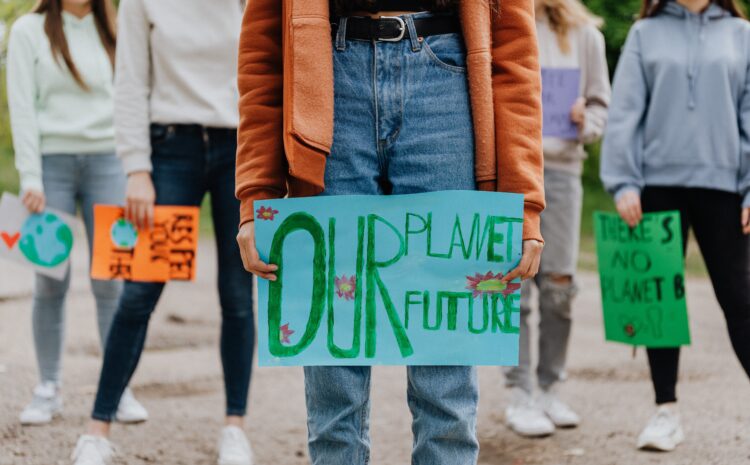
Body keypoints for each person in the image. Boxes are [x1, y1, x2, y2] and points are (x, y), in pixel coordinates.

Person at [235, 0, 545, 463]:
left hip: (445, 79)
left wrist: (524, 201)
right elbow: (263, 48)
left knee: (447, 366)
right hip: (327, 80)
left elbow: (515, 49)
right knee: (333, 364)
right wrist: (255, 191)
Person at [70, 1, 256, 464]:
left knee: (236, 294)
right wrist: (136, 167)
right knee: (138, 293)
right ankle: (97, 430)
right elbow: (131, 81)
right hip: (171, 148)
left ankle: (235, 429)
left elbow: (265, 70)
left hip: (240, 146)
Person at [601, 0, 750, 452]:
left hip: (724, 184)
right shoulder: (645, 34)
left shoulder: (742, 34)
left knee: (740, 298)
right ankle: (665, 411)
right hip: (656, 187)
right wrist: (623, 181)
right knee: (659, 303)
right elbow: (625, 111)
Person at [7, 0, 148, 427]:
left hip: (109, 161)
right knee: (49, 279)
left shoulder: (119, 28)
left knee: (111, 279)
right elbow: (23, 106)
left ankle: (117, 388)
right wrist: (30, 175)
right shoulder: (28, 32)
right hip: (52, 165)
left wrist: (139, 165)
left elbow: (136, 94)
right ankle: (48, 386)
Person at [503, 0, 610, 438]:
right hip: (512, 175)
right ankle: (520, 392)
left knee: (560, 286)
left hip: (562, 173)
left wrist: (587, 122)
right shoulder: (506, 20)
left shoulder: (588, 36)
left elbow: (602, 107)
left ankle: (550, 387)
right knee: (517, 285)